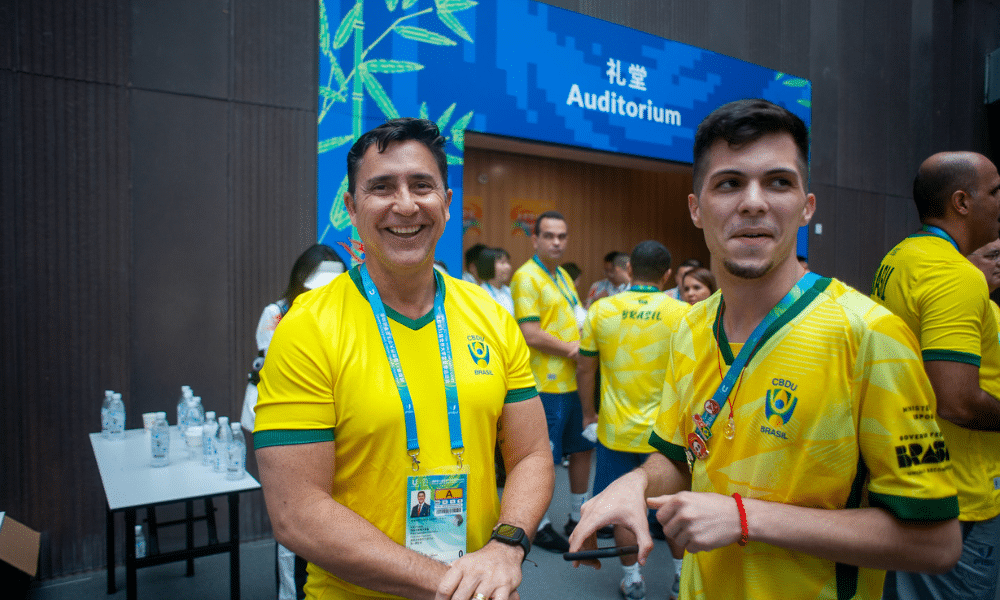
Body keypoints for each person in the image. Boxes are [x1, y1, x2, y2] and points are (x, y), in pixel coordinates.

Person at [568, 99, 961, 600]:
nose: (753, 202)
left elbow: (936, 542)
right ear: (696, 208)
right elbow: (681, 457)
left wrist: (745, 517)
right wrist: (637, 484)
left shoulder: (870, 335)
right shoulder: (690, 325)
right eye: (729, 183)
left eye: (778, 182)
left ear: (806, 206)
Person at [254, 118, 553, 600]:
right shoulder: (306, 328)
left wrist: (507, 544)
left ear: (447, 203)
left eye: (422, 185)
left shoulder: (492, 318)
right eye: (381, 188)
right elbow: (296, 509)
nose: (406, 205)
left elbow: (533, 455)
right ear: (352, 207)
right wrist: (451, 586)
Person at [872, 151, 1000, 600]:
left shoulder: (899, 257)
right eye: (996, 191)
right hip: (958, 494)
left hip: (907, 478)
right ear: (962, 202)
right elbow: (958, 400)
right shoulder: (954, 276)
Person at [577, 240, 689, 600]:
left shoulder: (601, 310)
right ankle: (679, 578)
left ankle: (633, 579)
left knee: (626, 511)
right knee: (674, 509)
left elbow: (585, 368)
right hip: (667, 437)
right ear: (667, 274)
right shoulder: (683, 314)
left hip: (615, 432)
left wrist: (588, 414)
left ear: (629, 270)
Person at [241, 243, 345, 600]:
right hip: (274, 419)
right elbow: (278, 365)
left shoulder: (346, 313)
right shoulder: (278, 312)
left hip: (327, 422)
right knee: (293, 515)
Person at [511, 210, 594, 552]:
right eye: (549, 236)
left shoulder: (560, 275)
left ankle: (577, 515)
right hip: (544, 386)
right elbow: (529, 333)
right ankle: (538, 525)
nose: (557, 242)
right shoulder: (526, 277)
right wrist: (574, 350)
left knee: (582, 448)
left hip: (573, 383)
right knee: (543, 458)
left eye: (562, 236)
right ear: (535, 239)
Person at [476, 247, 514, 315]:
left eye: (508, 262)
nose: (508, 267)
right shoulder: (482, 293)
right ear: (489, 265)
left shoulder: (509, 291)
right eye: (502, 263)